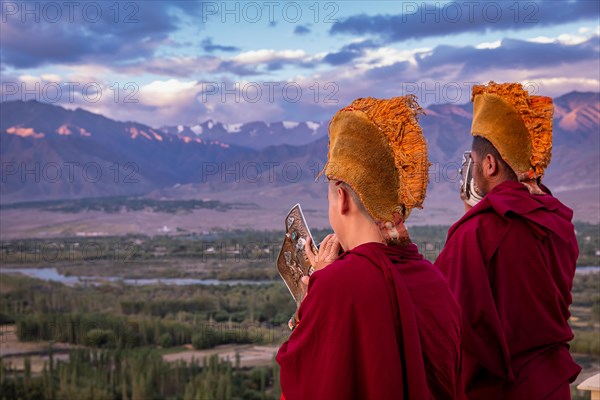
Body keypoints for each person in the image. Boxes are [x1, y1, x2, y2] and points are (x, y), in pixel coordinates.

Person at [276, 96, 464, 399]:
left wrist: (309, 303)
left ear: (342, 198)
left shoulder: (336, 286)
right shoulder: (434, 280)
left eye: (329, 197)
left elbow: (305, 384)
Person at [434, 82, 581, 399]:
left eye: (474, 163)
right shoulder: (559, 224)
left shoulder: (474, 234)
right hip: (552, 387)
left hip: (499, 391)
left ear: (489, 164)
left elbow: (442, 323)